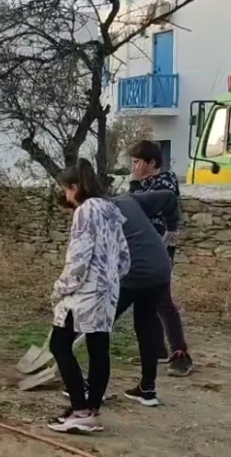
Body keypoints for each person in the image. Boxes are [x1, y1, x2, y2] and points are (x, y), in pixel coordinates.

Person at [59, 162, 182, 412]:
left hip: (133, 273)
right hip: (159, 268)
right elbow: (169, 197)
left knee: (97, 330)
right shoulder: (129, 200)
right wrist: (170, 229)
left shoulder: (96, 212)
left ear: (76, 190)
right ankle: (147, 390)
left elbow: (89, 257)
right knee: (145, 325)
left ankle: (93, 391)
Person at [46, 159, 130, 434]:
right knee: (98, 347)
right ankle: (91, 410)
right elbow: (124, 259)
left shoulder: (85, 212)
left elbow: (78, 261)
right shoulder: (110, 209)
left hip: (84, 293)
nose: (67, 198)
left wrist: (60, 288)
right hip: (108, 292)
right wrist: (109, 279)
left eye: (67, 191)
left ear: (75, 187)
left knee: (60, 344)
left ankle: (80, 409)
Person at [128, 140, 194, 377]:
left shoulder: (165, 182)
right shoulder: (144, 184)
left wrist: (135, 185)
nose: (134, 167)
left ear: (152, 162)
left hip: (160, 251)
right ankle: (156, 349)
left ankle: (181, 354)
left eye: (137, 162)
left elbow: (139, 208)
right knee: (146, 301)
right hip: (142, 250)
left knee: (163, 301)